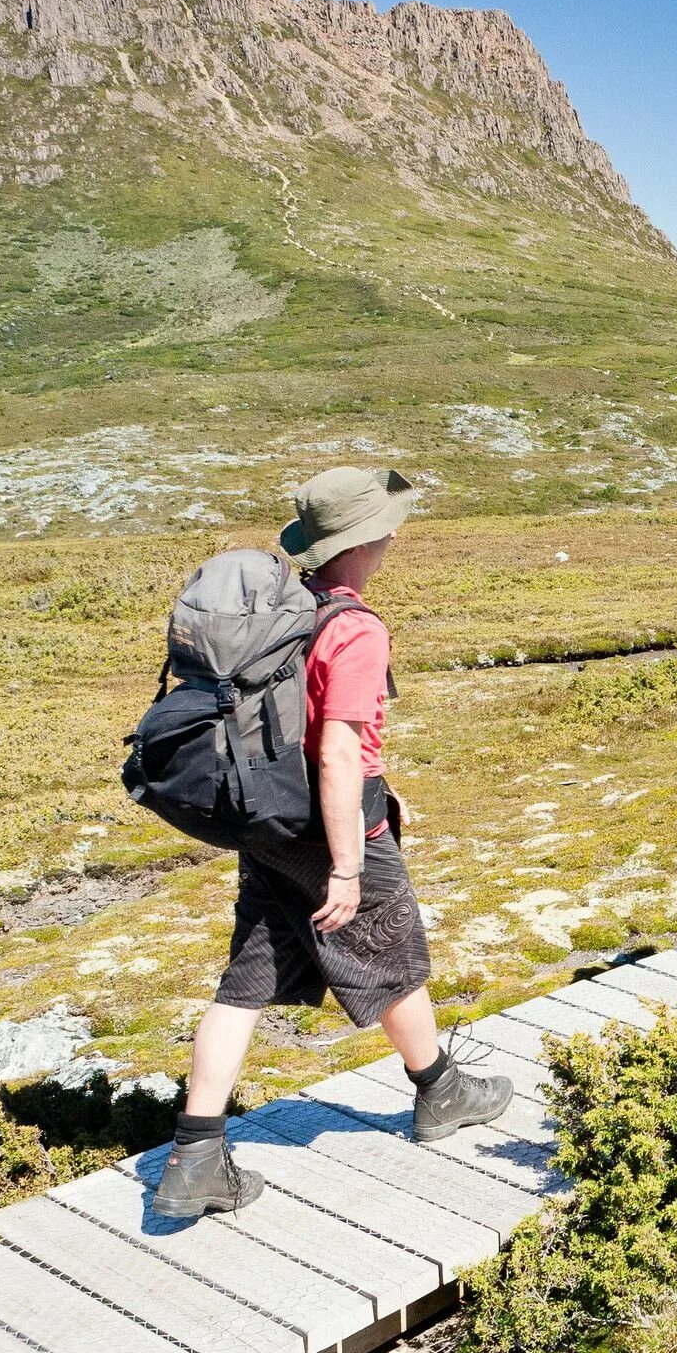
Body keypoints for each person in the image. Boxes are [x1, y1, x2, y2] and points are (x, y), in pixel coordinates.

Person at [154, 467, 511, 1219]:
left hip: (269, 822)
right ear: (373, 539)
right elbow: (339, 751)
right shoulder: (353, 627)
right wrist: (347, 864)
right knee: (393, 949)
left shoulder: (286, 614)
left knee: (244, 983)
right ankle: (441, 1092)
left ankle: (193, 1154)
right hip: (331, 828)